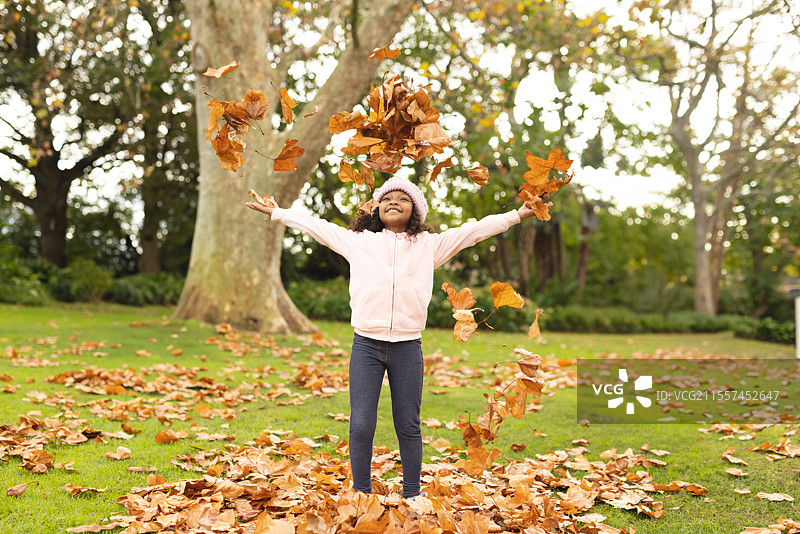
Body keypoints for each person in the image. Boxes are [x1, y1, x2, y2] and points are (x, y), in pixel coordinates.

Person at [246, 176, 537, 500]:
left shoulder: (429, 245)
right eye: (387, 198)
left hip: (408, 349)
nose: (393, 202)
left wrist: (518, 214)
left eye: (402, 198)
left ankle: (412, 494)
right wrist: (279, 213)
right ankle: (361, 492)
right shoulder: (359, 241)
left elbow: (473, 231)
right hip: (366, 346)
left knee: (408, 425)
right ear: (377, 209)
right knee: (360, 425)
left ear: (415, 210)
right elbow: (318, 227)